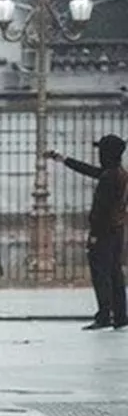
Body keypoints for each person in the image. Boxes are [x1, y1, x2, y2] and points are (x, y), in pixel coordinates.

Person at [45, 136, 128, 330]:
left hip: (104, 233)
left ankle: (104, 315)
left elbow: (101, 210)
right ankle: (121, 314)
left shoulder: (109, 178)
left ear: (107, 153)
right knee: (115, 273)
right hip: (117, 231)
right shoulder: (118, 174)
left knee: (101, 274)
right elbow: (90, 171)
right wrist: (63, 159)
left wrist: (94, 235)